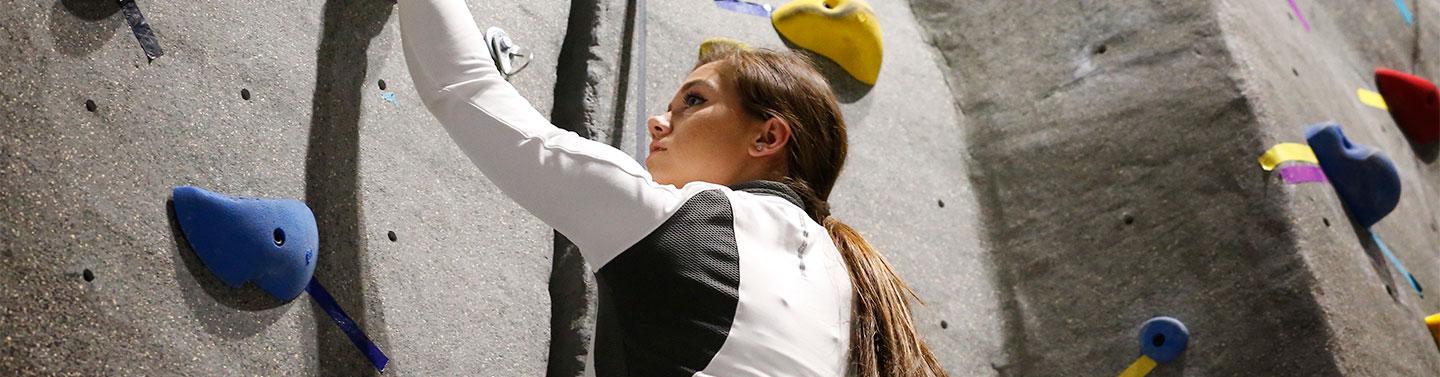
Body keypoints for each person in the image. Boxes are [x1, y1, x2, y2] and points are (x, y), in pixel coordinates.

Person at [397, 1, 946, 375]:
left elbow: (464, 85)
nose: (659, 122)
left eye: (694, 101)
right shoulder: (851, 288)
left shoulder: (684, 225)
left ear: (768, 136)